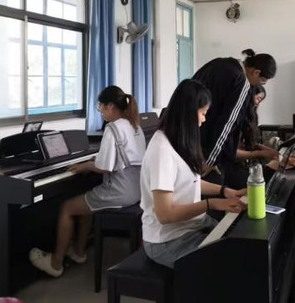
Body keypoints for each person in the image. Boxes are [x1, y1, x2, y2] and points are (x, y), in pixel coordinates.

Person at [30, 86, 146, 277]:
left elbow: (105, 167)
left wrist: (86, 166)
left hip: (120, 191)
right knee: (87, 199)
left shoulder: (113, 128)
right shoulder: (135, 126)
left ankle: (56, 263)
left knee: (67, 207)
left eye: (101, 106)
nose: (100, 111)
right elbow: (123, 157)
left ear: (110, 106)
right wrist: (94, 161)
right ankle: (78, 251)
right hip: (136, 189)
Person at [140, 79, 246, 268]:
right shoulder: (161, 150)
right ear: (188, 113)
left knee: (240, 241)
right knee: (232, 263)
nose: (204, 119)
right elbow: (164, 214)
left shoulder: (178, 141)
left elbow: (191, 182)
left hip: (192, 225)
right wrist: (212, 203)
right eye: (203, 113)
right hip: (168, 240)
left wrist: (224, 191)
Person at [193, 49, 278, 186]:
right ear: (256, 72)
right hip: (205, 148)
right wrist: (211, 160)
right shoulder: (241, 82)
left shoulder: (219, 63)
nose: (257, 86)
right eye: (261, 82)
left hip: (189, 138)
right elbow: (227, 124)